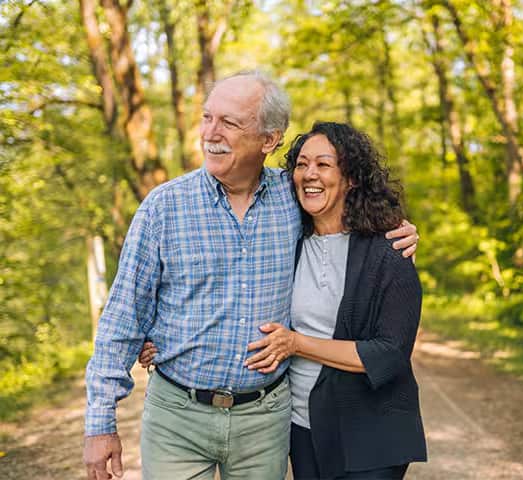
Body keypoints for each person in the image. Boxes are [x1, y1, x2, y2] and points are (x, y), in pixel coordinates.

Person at [83, 71, 420, 480]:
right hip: (177, 417)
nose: (211, 132)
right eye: (207, 118)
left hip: (265, 420)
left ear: (269, 139)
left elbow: (343, 208)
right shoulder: (164, 208)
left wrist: (398, 228)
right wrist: (101, 423)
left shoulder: (293, 198)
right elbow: (123, 317)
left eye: (229, 122)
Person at [146, 122, 427, 479]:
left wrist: (296, 344)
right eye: (302, 164)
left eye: (324, 165)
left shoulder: (388, 250)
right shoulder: (287, 242)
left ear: (351, 178)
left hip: (370, 427)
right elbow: (230, 294)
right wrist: (166, 339)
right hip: (303, 426)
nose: (310, 174)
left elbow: (389, 355)